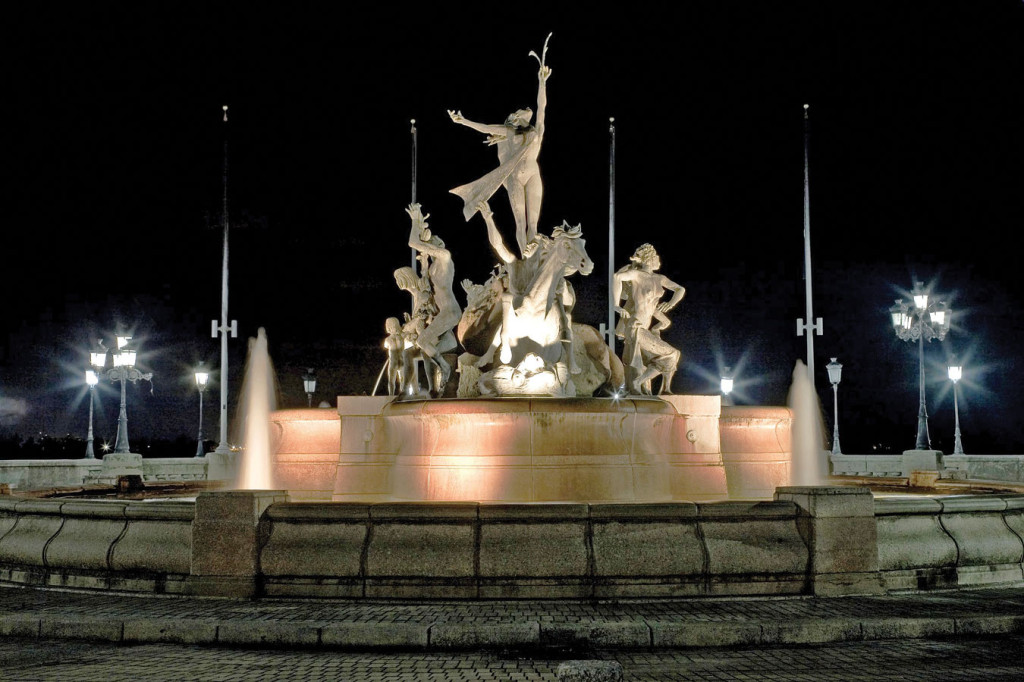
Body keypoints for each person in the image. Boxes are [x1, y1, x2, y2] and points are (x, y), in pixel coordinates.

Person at [449, 34, 552, 256]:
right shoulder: (508, 132)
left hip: (533, 173)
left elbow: (541, 106)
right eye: (519, 111)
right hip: (514, 176)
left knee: (533, 222)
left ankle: (532, 259)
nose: (525, 109)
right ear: (514, 118)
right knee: (520, 220)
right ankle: (524, 256)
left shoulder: (537, 131)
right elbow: (486, 127)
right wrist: (463, 120)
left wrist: (542, 82)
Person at [613, 243, 686, 395]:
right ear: (647, 259)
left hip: (645, 329)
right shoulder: (637, 274)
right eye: (655, 257)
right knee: (671, 354)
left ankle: (662, 389)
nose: (658, 260)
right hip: (636, 326)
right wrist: (616, 305)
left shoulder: (660, 279)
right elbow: (617, 277)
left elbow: (680, 289)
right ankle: (638, 382)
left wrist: (670, 304)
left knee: (671, 356)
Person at [406, 203, 461, 391]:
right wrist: (423, 263)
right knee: (424, 342)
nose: (431, 244)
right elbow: (429, 285)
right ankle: (444, 367)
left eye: (434, 242)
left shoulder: (445, 257)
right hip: (442, 313)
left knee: (422, 341)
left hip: (450, 311)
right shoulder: (433, 265)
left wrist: (415, 220)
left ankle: (445, 368)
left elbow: (413, 243)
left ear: (440, 246)